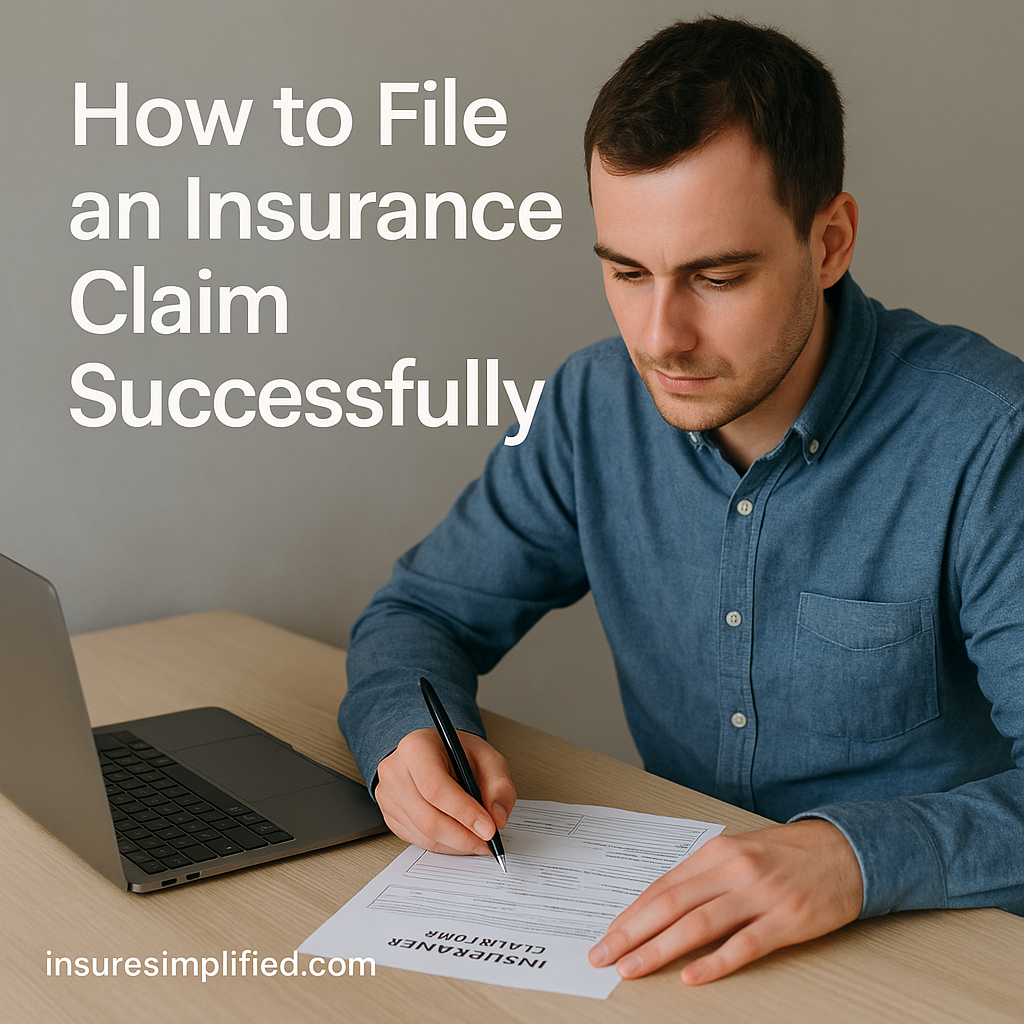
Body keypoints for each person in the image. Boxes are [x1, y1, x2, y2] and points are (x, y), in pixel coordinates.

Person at [339, 15, 1024, 985]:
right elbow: (420, 613)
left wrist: (852, 855)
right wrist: (404, 737)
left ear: (828, 243)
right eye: (625, 271)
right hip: (686, 957)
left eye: (715, 276)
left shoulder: (991, 439)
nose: (660, 335)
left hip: (933, 962)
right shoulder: (588, 406)